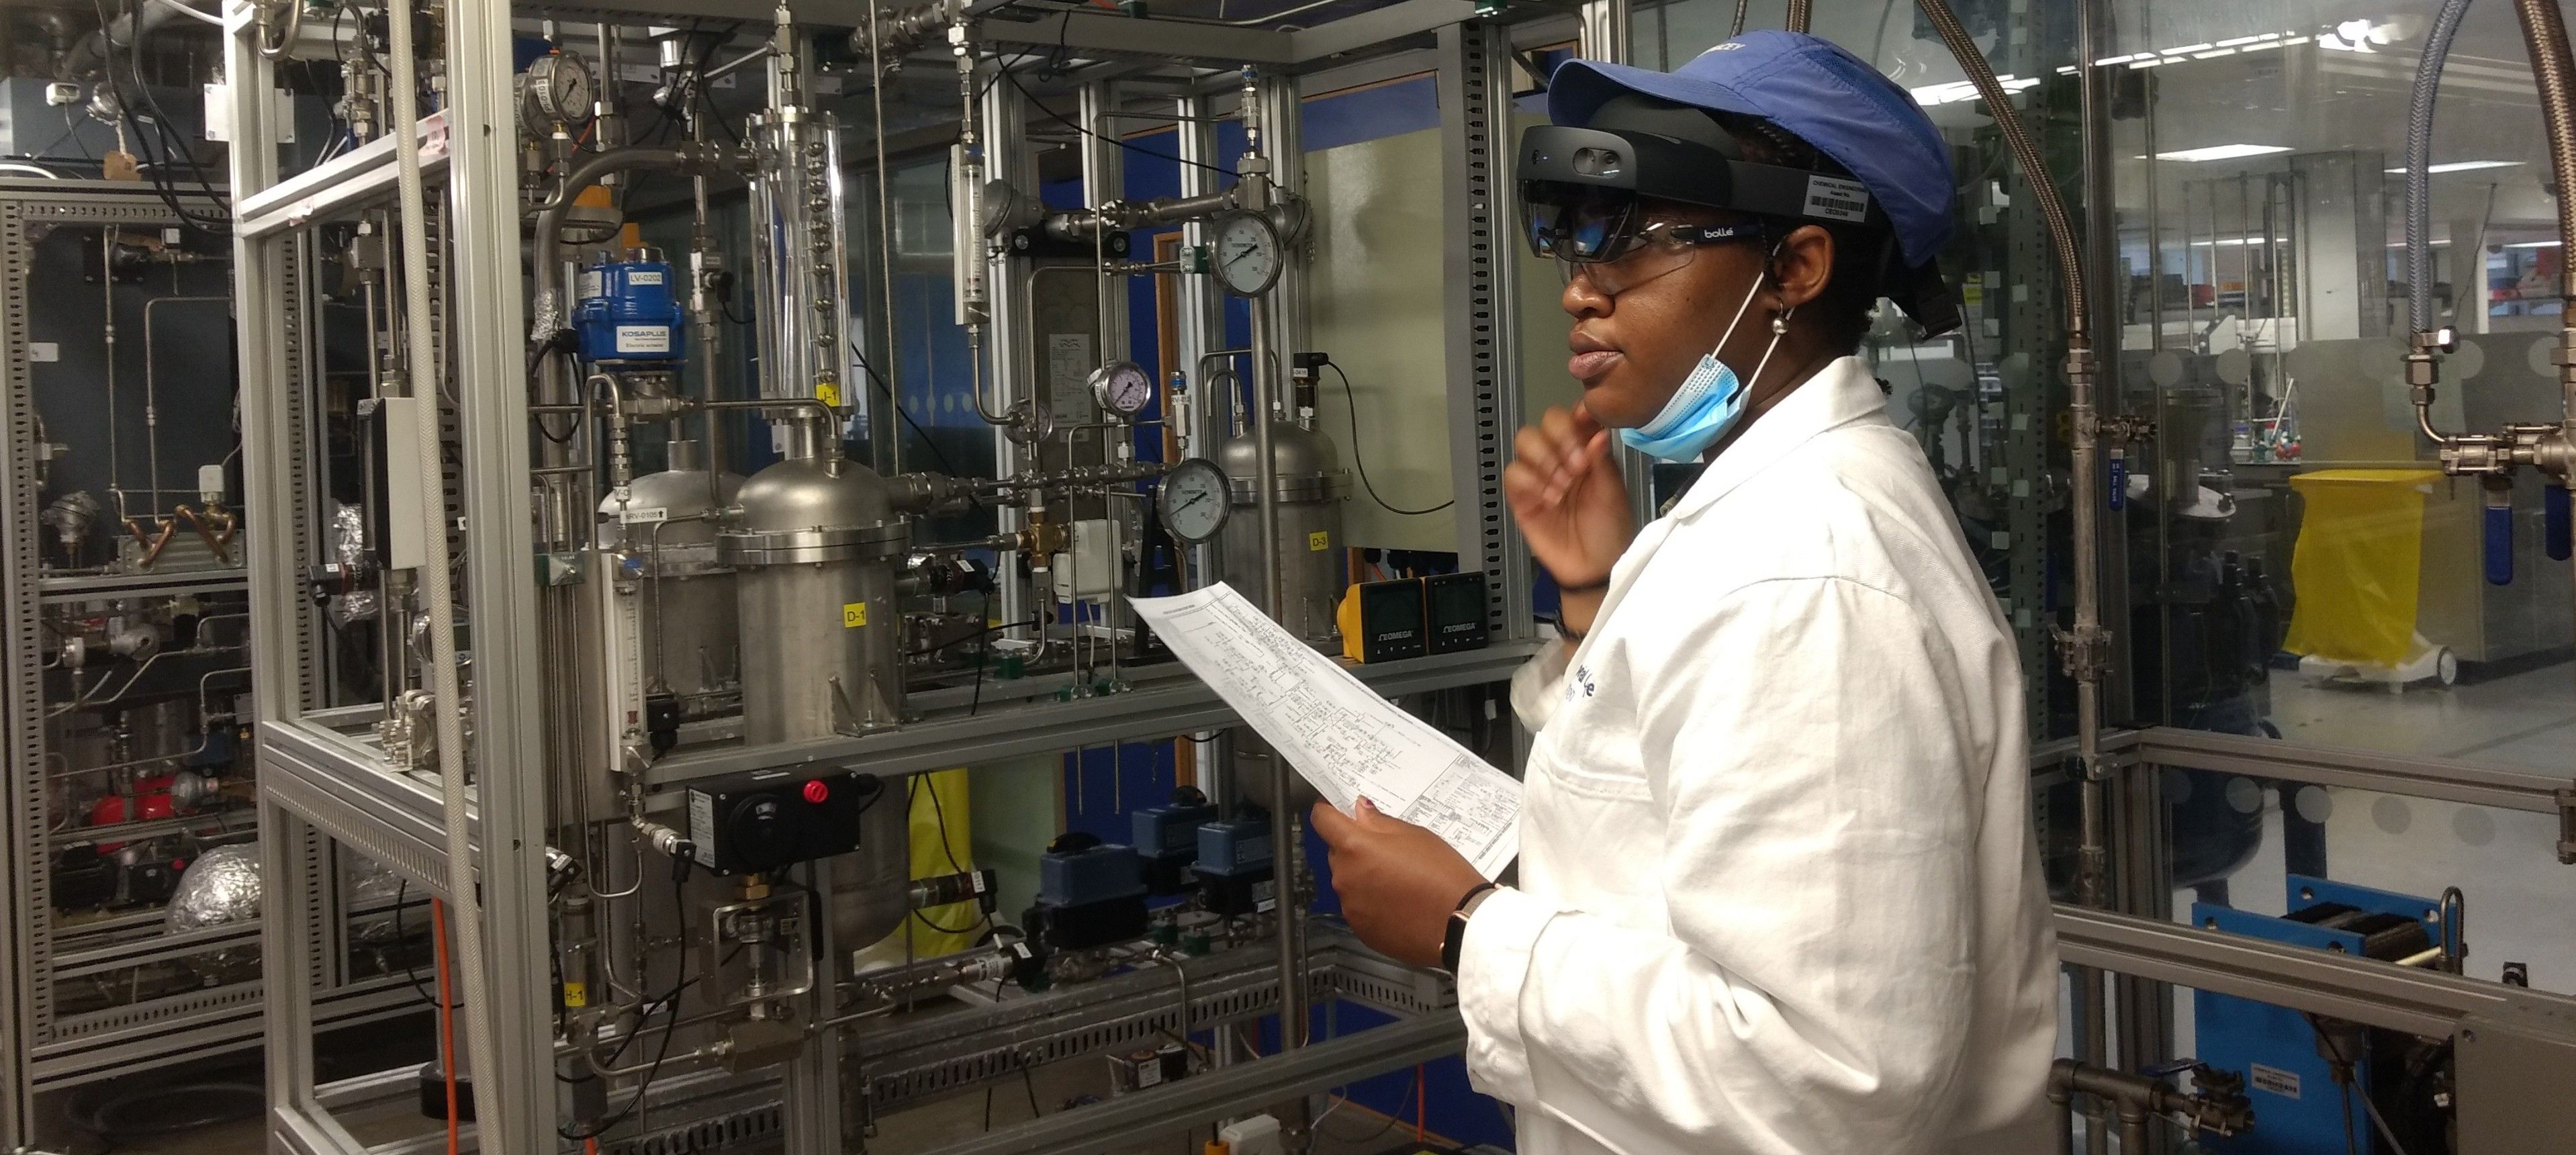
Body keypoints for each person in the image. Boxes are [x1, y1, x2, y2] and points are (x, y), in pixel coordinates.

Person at [1311, 31, 2060, 1155]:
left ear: (1795, 270)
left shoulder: (1804, 571)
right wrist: (1592, 596)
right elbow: (1664, 810)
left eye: (1632, 243)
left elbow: (1833, 1078)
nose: (1579, 290)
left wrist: (1469, 931)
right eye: (1571, 240)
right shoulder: (1754, 518)